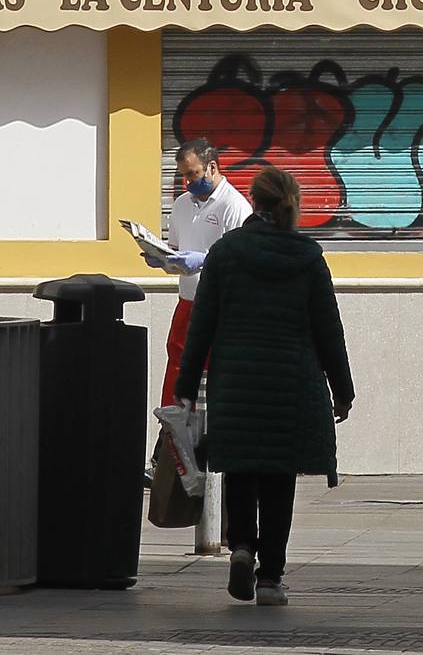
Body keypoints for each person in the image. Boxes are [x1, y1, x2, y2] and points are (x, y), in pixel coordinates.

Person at [174, 166, 354, 607]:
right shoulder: (308, 256)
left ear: (253, 202)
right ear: (293, 204)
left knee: (240, 468)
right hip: (290, 384)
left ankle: (241, 547)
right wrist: (342, 389)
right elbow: (329, 329)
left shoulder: (226, 252)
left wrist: (185, 380)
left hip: (236, 381)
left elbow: (203, 323)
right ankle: (271, 578)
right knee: (278, 480)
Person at [143, 137, 252, 409]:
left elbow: (242, 262)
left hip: (220, 307)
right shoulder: (181, 204)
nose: (188, 182)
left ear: (212, 167)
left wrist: (203, 260)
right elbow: (178, 250)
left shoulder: (234, 206)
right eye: (184, 175)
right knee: (178, 366)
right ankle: (172, 432)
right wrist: (163, 259)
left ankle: (209, 436)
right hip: (187, 302)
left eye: (193, 174)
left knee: (215, 373)